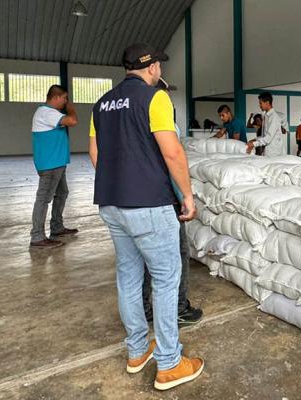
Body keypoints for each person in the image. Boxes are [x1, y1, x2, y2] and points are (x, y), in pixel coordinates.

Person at [88, 43, 203, 391]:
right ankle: (169, 363)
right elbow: (172, 152)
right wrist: (187, 195)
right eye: (159, 66)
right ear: (152, 67)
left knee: (128, 276)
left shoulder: (101, 104)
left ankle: (137, 351)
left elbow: (96, 155)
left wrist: (120, 182)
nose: (160, 71)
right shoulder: (155, 98)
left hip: (111, 202)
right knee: (166, 278)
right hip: (149, 204)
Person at [141, 78, 203, 328]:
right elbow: (172, 158)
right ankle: (178, 309)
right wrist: (185, 198)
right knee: (176, 254)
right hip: (164, 198)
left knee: (141, 257)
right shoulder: (164, 121)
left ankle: (144, 309)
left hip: (133, 198)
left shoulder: (129, 117)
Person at [29, 85, 79, 248]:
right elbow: (72, 121)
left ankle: (57, 227)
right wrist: (71, 109)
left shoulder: (51, 113)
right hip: (50, 165)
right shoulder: (46, 112)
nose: (66, 102)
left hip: (57, 163)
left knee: (62, 193)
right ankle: (37, 236)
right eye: (64, 98)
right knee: (43, 198)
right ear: (56, 97)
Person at [246, 92, 284, 156]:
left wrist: (253, 144)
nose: (259, 105)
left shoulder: (274, 117)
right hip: (267, 151)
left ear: (267, 103)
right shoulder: (265, 116)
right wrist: (254, 140)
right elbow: (264, 135)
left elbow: (268, 138)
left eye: (261, 103)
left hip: (274, 153)